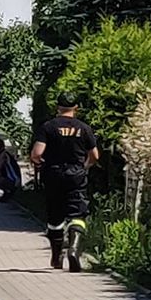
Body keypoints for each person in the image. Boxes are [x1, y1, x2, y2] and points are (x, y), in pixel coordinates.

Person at [29, 93, 99, 271]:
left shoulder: (48, 127)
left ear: (57, 107)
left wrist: (40, 164)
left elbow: (37, 154)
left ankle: (56, 256)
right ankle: (74, 250)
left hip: (53, 174)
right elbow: (95, 156)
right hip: (76, 175)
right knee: (78, 214)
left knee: (55, 217)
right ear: (76, 107)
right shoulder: (84, 128)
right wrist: (84, 167)